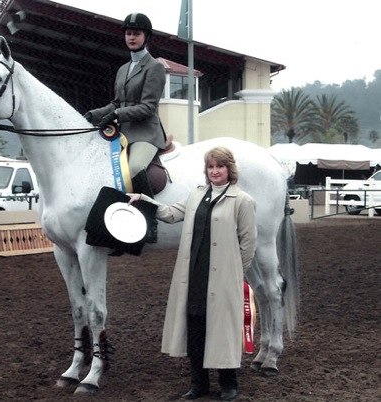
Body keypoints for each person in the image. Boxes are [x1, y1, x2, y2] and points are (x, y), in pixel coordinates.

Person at [127, 146, 257, 401]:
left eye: (220, 166)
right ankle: (199, 384)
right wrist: (144, 200)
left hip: (223, 277)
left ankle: (229, 384)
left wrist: (235, 274)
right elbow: (171, 213)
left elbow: (248, 243)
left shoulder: (243, 201)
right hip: (195, 273)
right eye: (211, 167)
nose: (215, 171)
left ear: (230, 170)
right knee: (195, 327)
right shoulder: (196, 195)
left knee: (222, 329)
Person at [84, 13, 166, 241]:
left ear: (145, 37)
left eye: (136, 33)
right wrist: (93, 114)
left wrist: (117, 114)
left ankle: (151, 221)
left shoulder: (155, 67)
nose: (131, 37)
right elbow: (116, 102)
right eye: (128, 33)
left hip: (146, 133)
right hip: (123, 133)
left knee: (134, 167)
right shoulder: (123, 69)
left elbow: (148, 107)